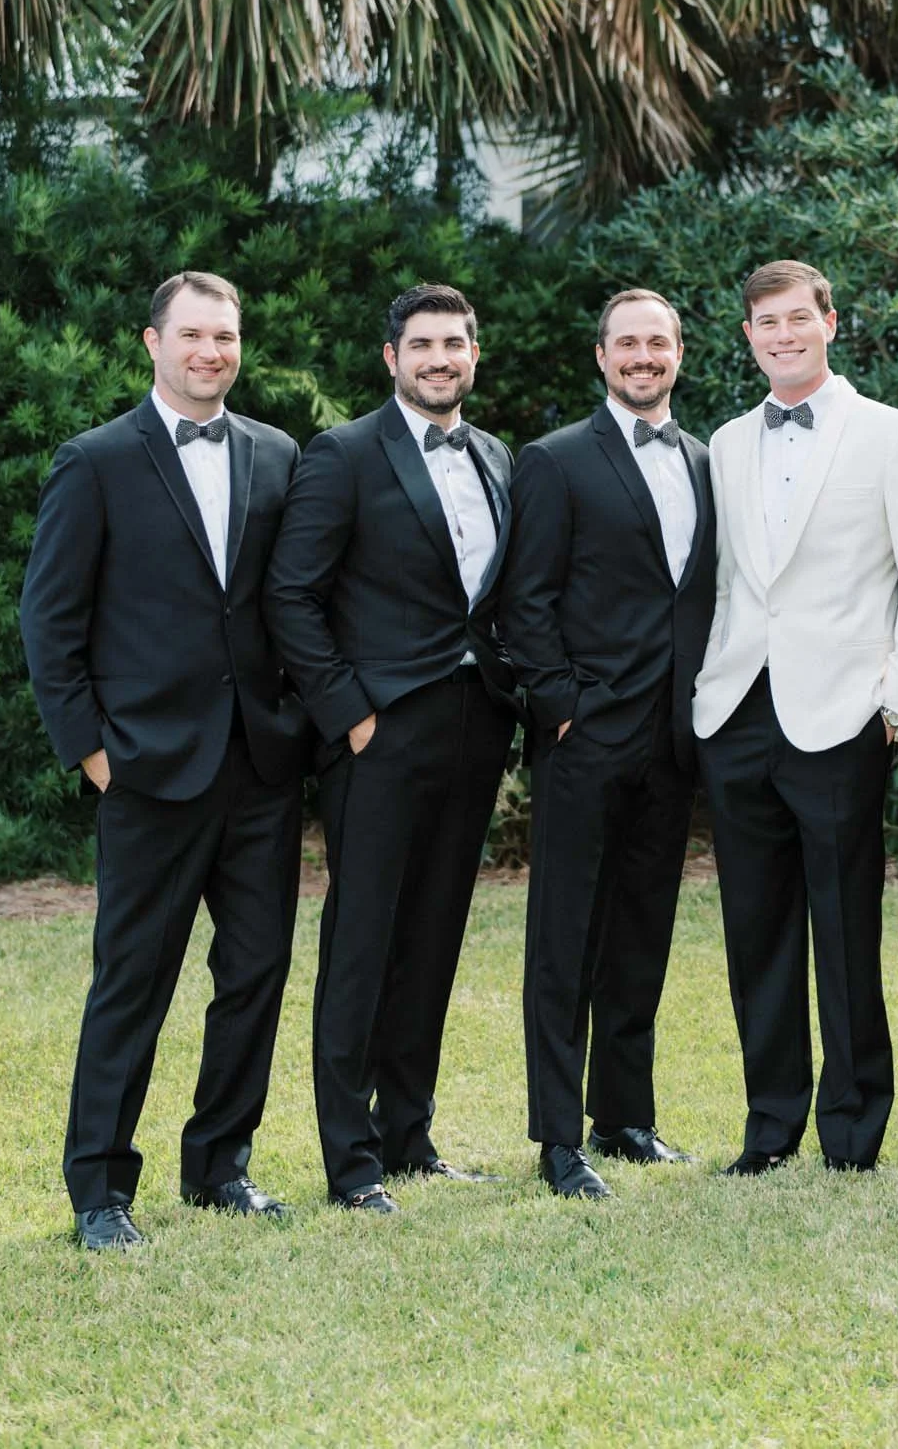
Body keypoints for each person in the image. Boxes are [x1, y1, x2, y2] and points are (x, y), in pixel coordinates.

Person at [21, 271, 306, 1250]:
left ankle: (220, 1162)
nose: (210, 351)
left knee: (256, 970)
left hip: (260, 770)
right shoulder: (96, 461)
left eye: (224, 335)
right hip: (145, 770)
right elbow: (49, 621)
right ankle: (100, 1189)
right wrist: (92, 755)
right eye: (191, 335)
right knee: (132, 980)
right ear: (152, 342)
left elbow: (287, 603)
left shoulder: (277, 455)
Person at [690, 259, 898, 1174]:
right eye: (765, 322)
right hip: (737, 712)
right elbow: (729, 582)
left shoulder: (890, 436)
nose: (783, 335)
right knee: (755, 933)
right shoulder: (725, 442)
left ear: (831, 324)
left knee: (845, 932)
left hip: (844, 716)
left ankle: (851, 1132)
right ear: (748, 337)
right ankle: (768, 1132)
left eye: (798, 318)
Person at [262, 283, 520, 1213]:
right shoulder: (344, 454)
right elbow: (291, 595)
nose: (439, 357)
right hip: (379, 731)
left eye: (455, 342)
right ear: (391, 358)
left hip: (474, 725)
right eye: (422, 344)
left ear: (473, 355)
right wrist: (350, 715)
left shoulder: (495, 456)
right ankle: (352, 1160)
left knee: (434, 936)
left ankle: (410, 1136)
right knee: (363, 941)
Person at [500, 289, 716, 1199]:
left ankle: (625, 1116)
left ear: (679, 353)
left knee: (641, 933)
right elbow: (526, 597)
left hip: (675, 739)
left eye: (657, 342)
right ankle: (558, 1140)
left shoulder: (710, 461)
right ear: (600, 357)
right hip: (585, 738)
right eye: (627, 343)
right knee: (565, 941)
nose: (642, 357)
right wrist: (560, 705)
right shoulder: (553, 462)